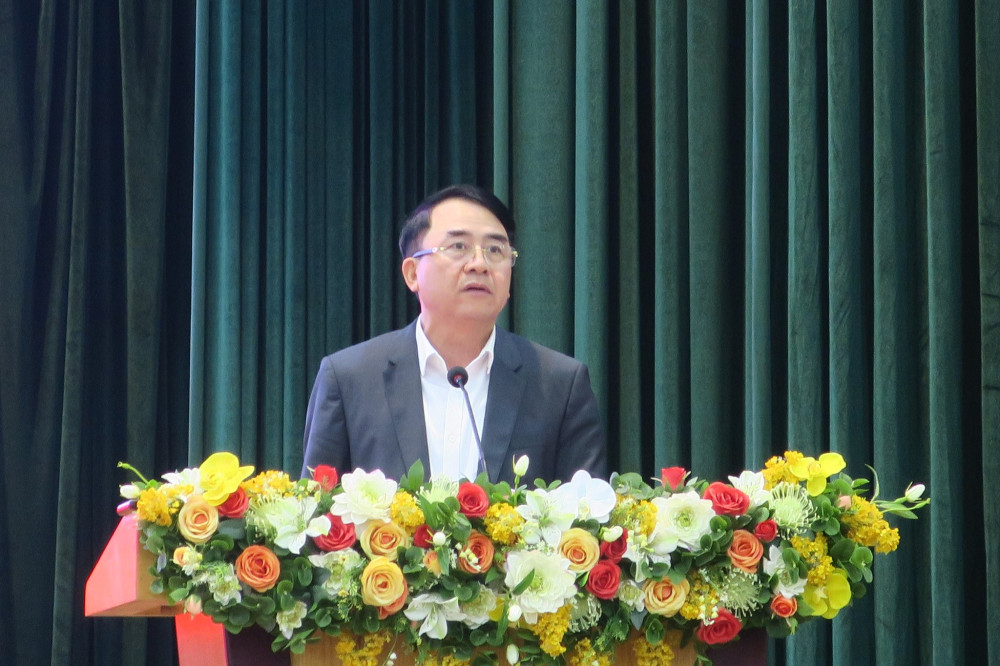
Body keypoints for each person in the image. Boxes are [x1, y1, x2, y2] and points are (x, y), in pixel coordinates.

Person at [301, 184, 607, 484]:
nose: (479, 264)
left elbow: (586, 513)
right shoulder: (349, 379)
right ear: (412, 273)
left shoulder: (559, 385)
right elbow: (317, 508)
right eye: (459, 247)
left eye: (496, 250)